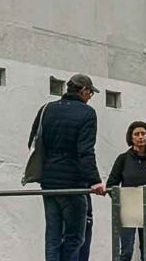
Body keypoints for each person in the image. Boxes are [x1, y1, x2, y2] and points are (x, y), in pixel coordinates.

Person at [28, 74, 106, 261]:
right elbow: (85, 151)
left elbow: (33, 142)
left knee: (53, 238)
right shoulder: (87, 113)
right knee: (75, 237)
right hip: (72, 184)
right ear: (84, 91)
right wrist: (95, 180)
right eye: (90, 93)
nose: (89, 98)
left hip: (48, 183)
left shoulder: (47, 109)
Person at [107, 121, 146, 260]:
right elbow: (111, 184)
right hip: (128, 212)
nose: (140, 137)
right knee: (126, 251)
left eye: (143, 134)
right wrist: (123, 201)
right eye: (136, 134)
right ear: (131, 137)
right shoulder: (123, 159)